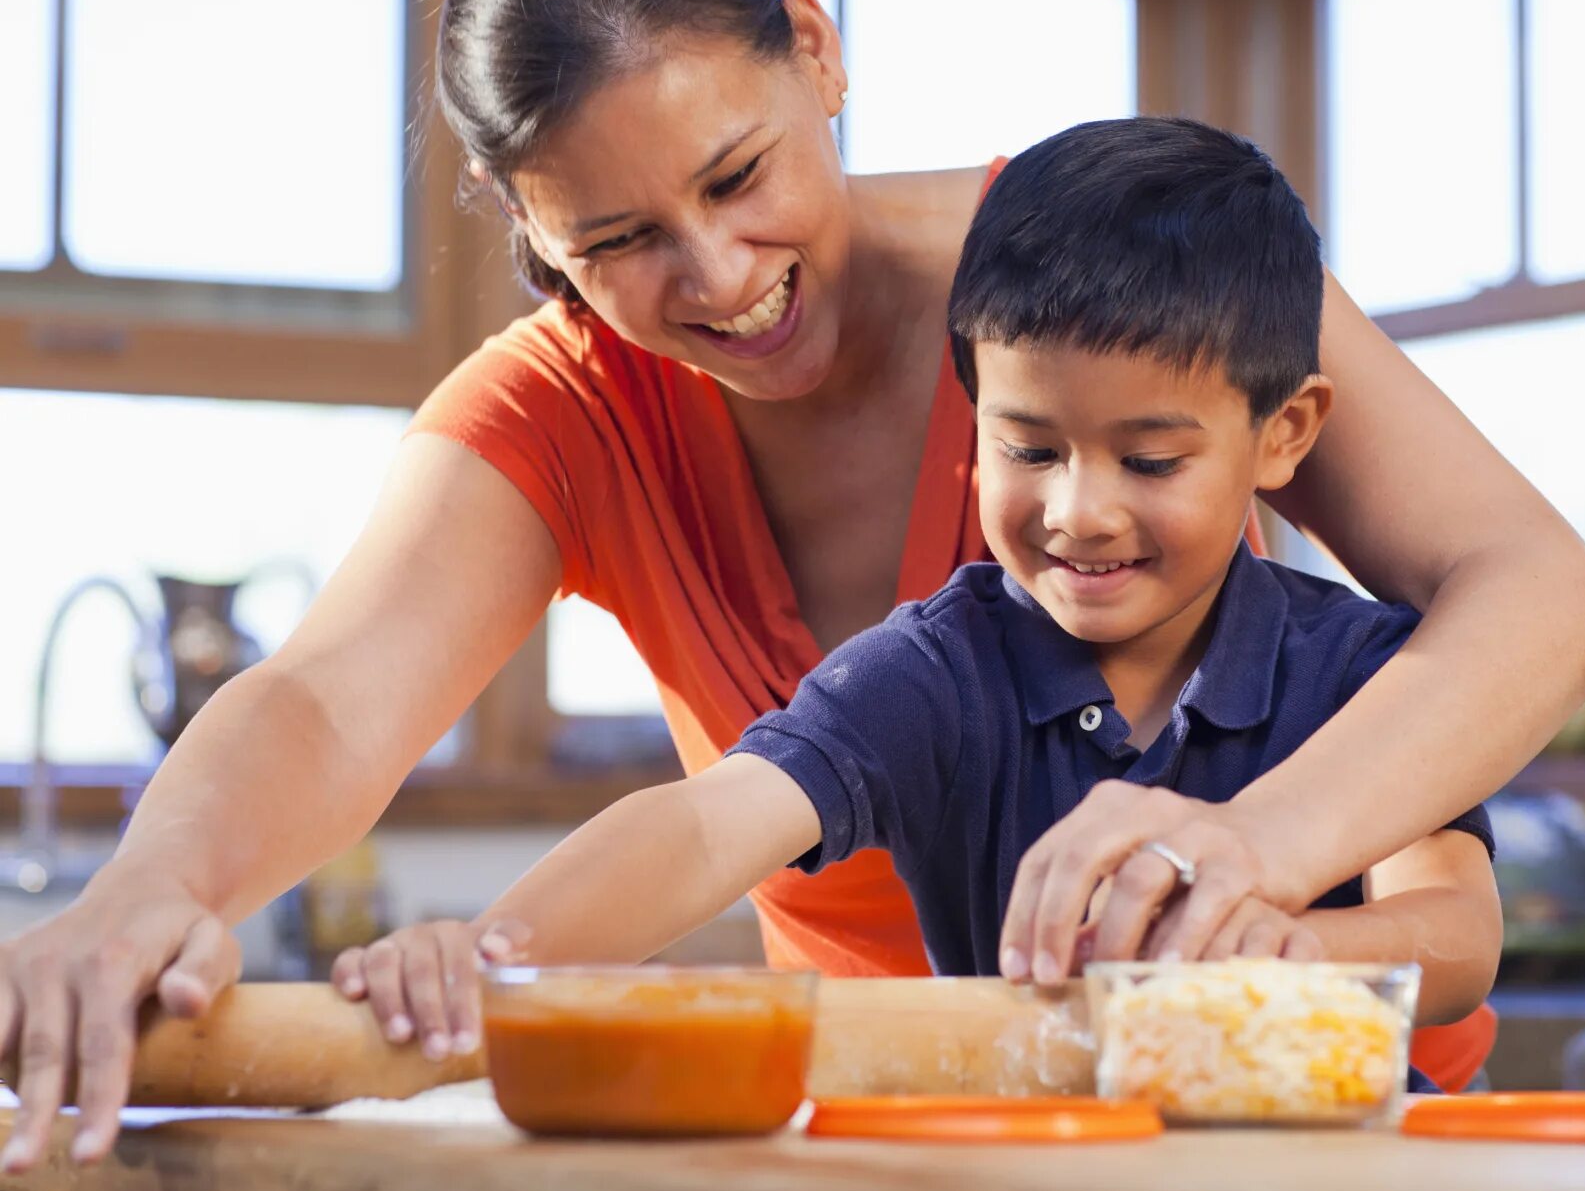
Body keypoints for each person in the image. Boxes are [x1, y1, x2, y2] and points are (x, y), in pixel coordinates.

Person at [0, 0, 1585, 1171]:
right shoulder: (562, 413)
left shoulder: (1098, 269)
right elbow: (325, 698)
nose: (715, 280)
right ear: (525, 224)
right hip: (902, 1136)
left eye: (735, 172)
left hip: (1295, 1130)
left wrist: (1254, 854)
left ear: (814, 46)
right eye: (619, 237)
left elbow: (1541, 598)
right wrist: (158, 890)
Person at [343, 116, 1503, 1057]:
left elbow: (1456, 932)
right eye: (1029, 449)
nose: (1079, 509)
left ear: (1283, 433)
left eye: (1150, 460)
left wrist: (1294, 947)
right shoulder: (937, 669)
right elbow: (706, 824)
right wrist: (490, 951)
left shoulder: (1363, 670)